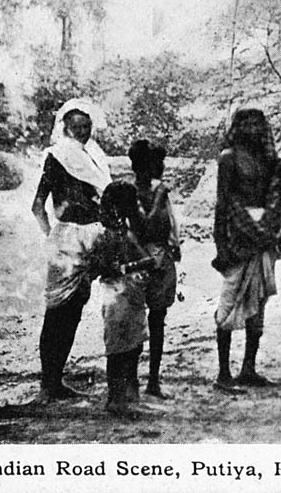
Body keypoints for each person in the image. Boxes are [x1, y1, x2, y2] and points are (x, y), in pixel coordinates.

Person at [31, 98, 111, 402]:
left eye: (86, 125)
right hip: (67, 240)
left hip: (91, 237)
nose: (81, 130)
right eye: (75, 125)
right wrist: (53, 236)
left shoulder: (94, 157)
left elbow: (104, 198)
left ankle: (55, 381)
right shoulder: (57, 156)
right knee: (57, 311)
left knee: (75, 309)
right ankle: (46, 384)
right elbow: (38, 206)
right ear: (64, 127)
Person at [211, 107, 281, 393]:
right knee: (230, 299)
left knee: (259, 302)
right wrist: (220, 245)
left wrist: (280, 233)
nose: (253, 128)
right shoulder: (229, 158)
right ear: (237, 126)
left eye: (258, 123)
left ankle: (248, 368)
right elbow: (223, 202)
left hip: (265, 233)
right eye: (246, 122)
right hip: (238, 232)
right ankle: (223, 372)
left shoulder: (269, 160)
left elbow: (280, 195)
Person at [91, 181, 156, 416]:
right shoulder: (107, 235)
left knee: (132, 345)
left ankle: (126, 394)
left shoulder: (124, 231)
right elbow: (108, 268)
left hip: (128, 292)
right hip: (116, 294)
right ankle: (115, 399)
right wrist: (141, 264)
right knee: (119, 348)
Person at [128, 140, 180, 399]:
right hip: (141, 259)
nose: (161, 167)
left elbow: (166, 226)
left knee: (158, 320)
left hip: (161, 259)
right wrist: (159, 198)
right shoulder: (132, 194)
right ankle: (131, 381)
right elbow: (145, 228)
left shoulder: (159, 191)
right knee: (136, 322)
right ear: (144, 166)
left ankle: (153, 380)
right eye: (157, 163)